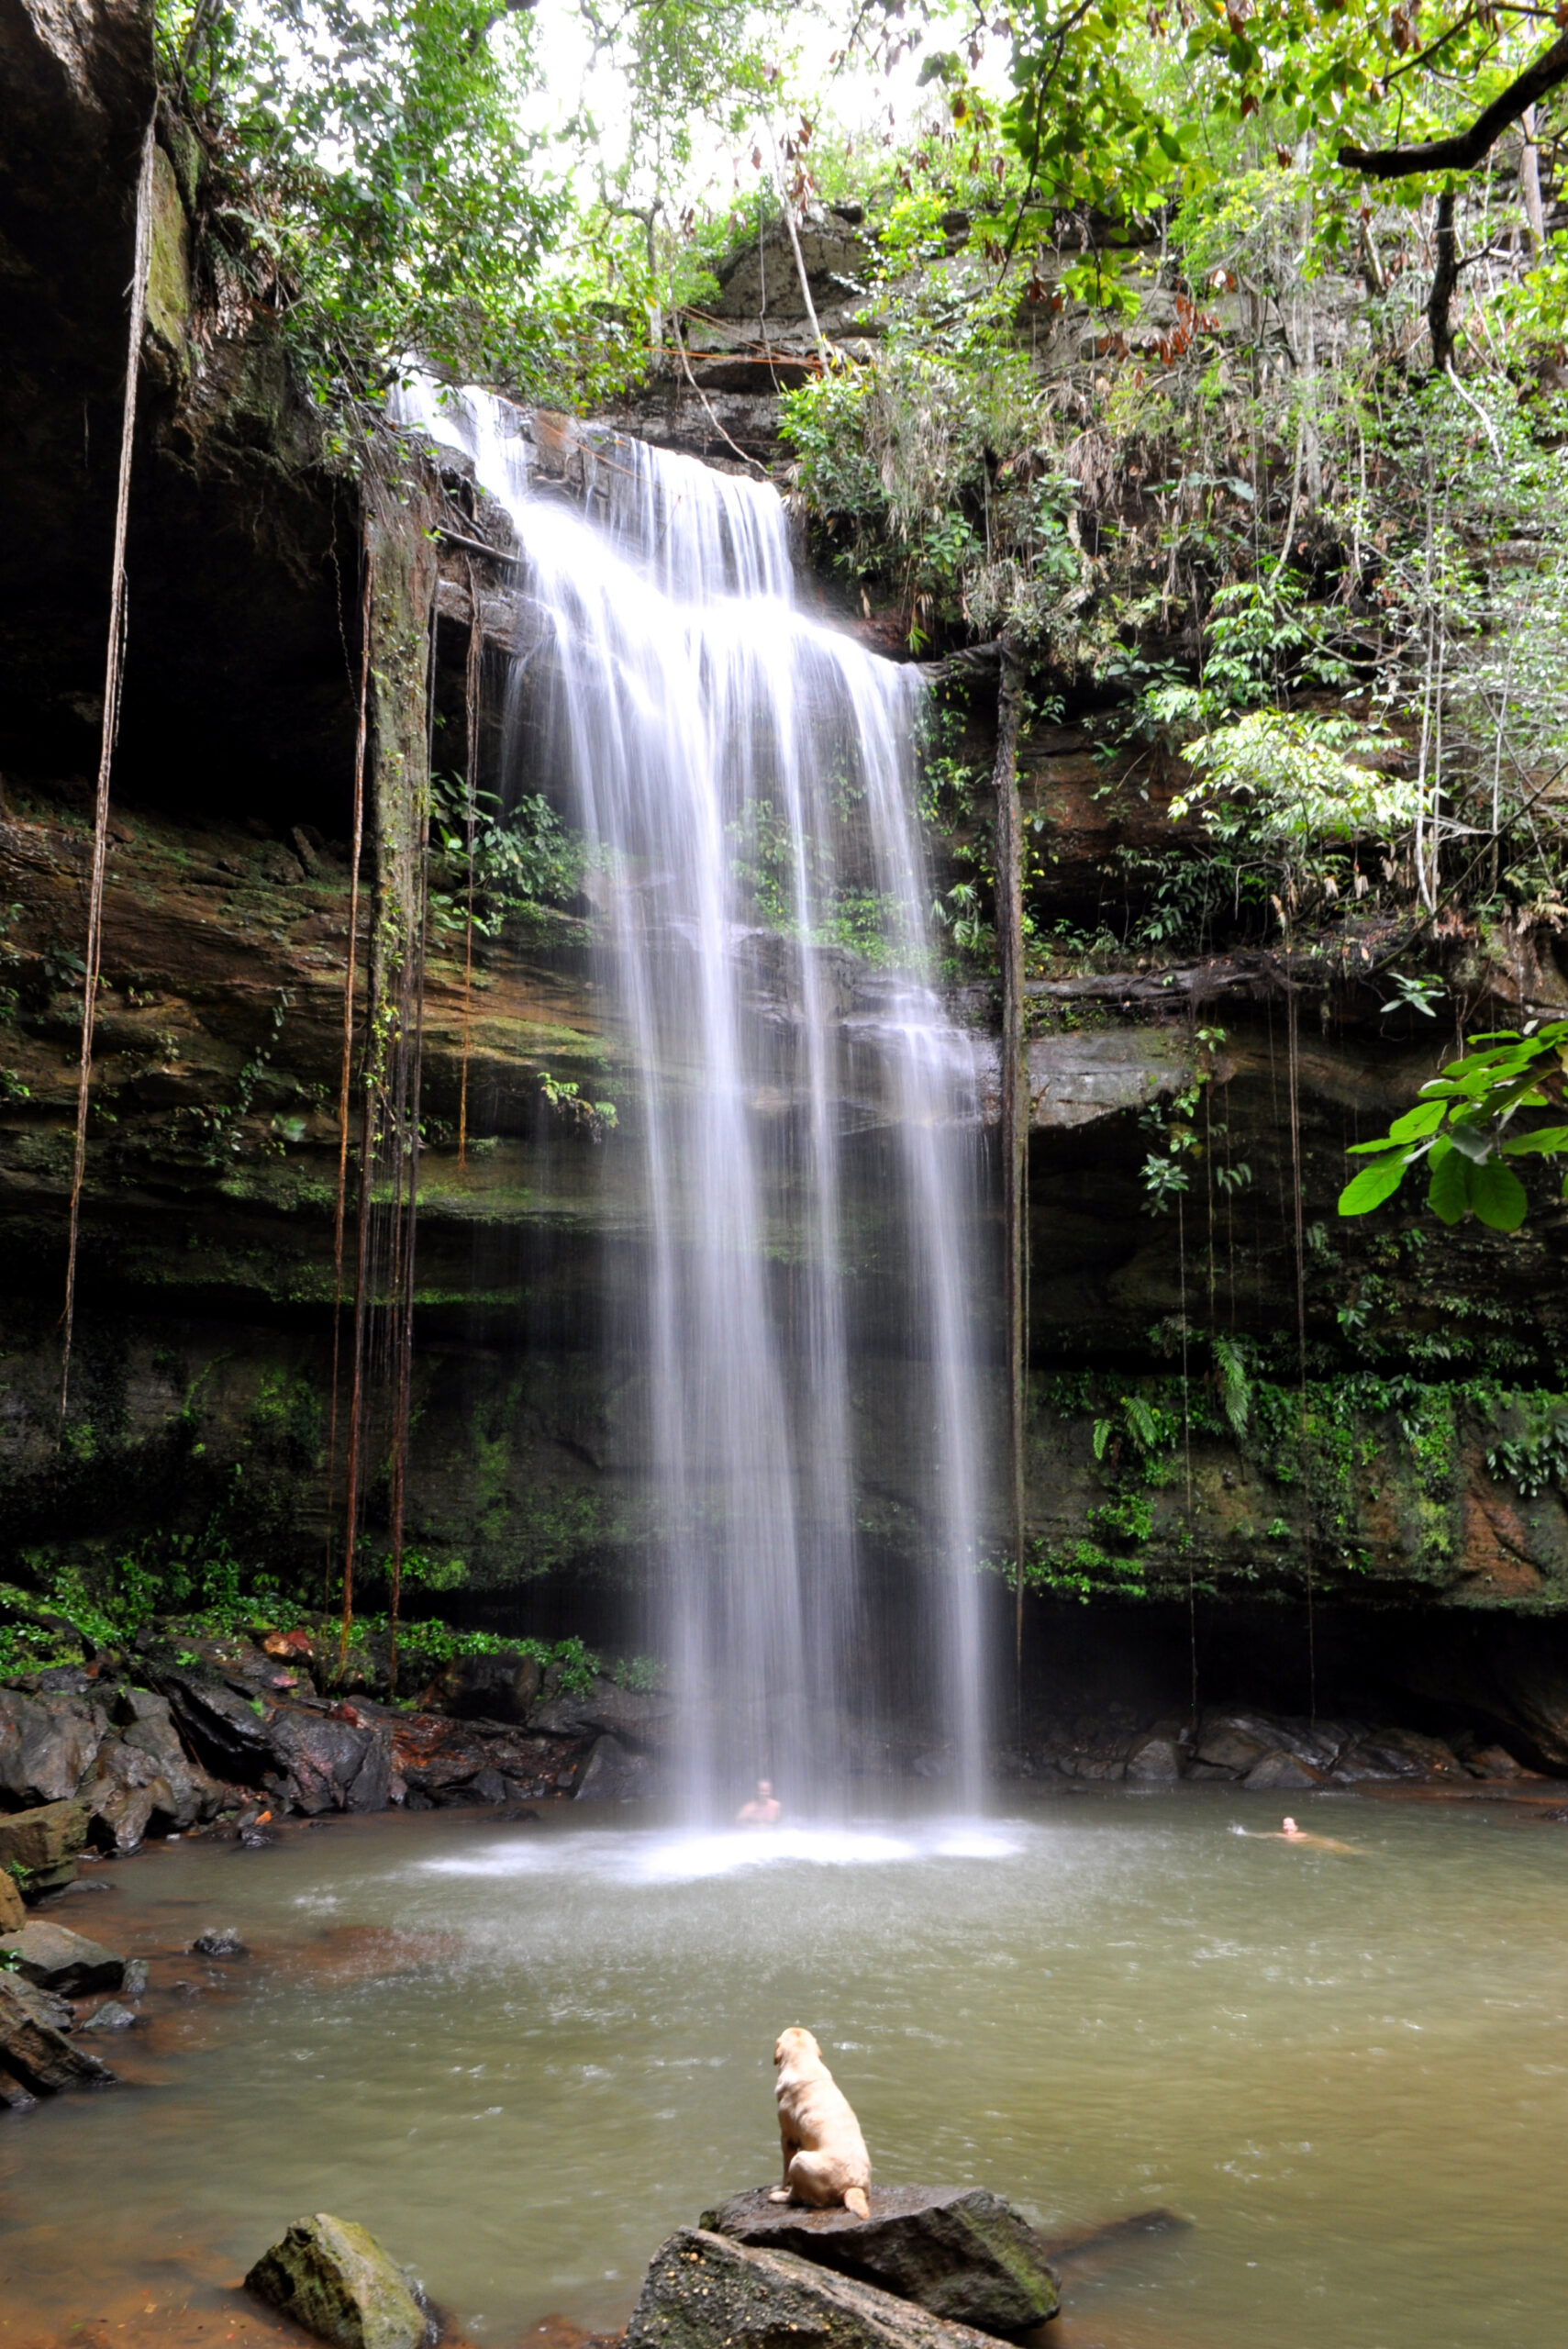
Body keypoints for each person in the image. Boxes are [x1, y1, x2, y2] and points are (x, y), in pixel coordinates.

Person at [1236, 1812, 1358, 1853]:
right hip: (1310, 1847)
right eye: (1285, 1825)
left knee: (1337, 1847)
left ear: (1296, 1827)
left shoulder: (1303, 1834)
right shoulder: (1280, 1835)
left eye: (1290, 1825)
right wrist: (1244, 1834)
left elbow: (1319, 1839)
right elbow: (1264, 1835)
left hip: (1313, 1843)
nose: (1287, 1828)